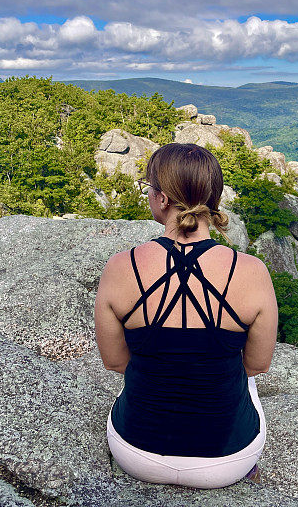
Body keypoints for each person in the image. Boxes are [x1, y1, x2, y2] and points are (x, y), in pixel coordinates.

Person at [94, 142, 278, 489]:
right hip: (228, 461)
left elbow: (116, 362)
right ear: (214, 200)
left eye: (150, 188)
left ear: (162, 199)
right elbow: (255, 366)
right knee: (247, 381)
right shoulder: (251, 271)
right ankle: (247, 469)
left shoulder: (121, 267)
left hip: (136, 453)